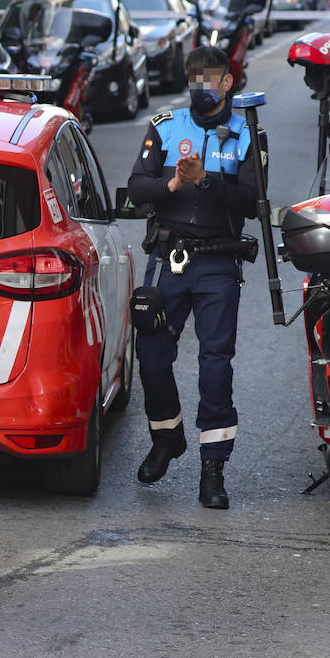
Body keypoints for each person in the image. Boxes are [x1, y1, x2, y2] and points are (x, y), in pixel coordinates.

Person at [126, 46, 262, 509]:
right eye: (193, 79)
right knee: (151, 356)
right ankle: (167, 438)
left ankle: (213, 467)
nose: (200, 87)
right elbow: (136, 189)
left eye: (209, 79)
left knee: (215, 364)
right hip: (170, 258)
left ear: (227, 83)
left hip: (219, 263)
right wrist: (173, 184)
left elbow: (252, 201)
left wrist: (206, 181)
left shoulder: (248, 132)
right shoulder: (166, 127)